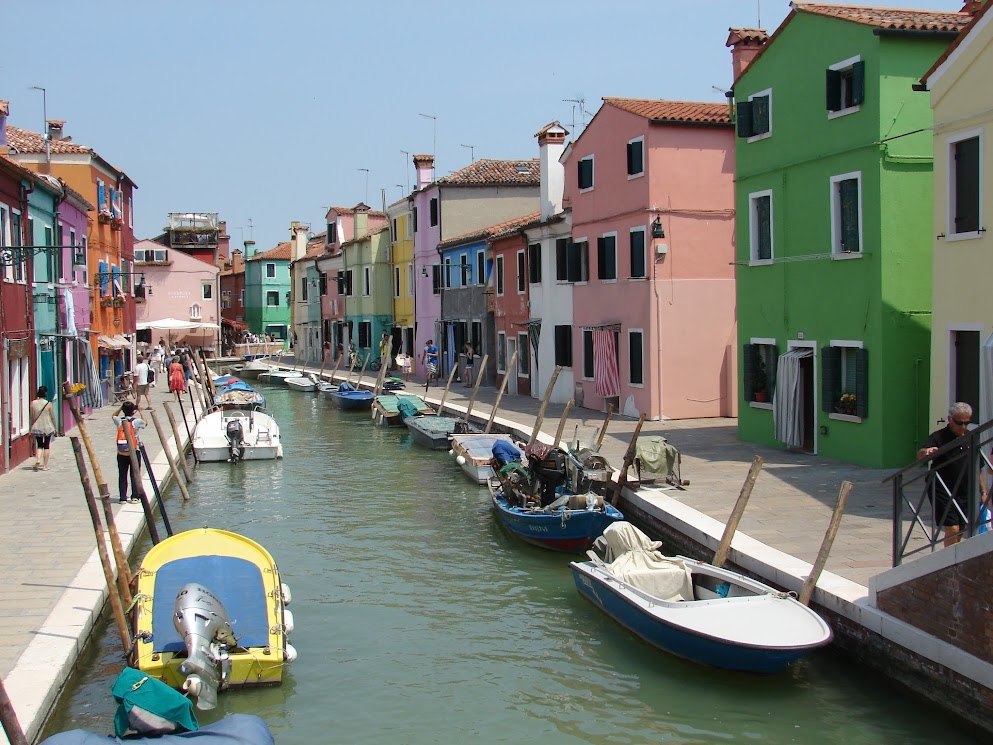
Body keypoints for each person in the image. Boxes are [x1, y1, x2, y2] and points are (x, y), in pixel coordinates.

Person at [918, 402, 982, 547]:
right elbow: (921, 453)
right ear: (950, 419)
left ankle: (954, 556)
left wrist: (983, 491)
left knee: (960, 529)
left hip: (965, 491)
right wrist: (926, 452)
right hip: (943, 489)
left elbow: (978, 467)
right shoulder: (939, 437)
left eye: (967, 423)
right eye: (960, 423)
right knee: (952, 528)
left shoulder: (970, 438)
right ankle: (947, 560)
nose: (963, 427)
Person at [112, 400, 147, 504]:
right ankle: (134, 497)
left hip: (121, 453)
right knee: (135, 474)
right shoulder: (136, 421)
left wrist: (121, 408)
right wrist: (140, 411)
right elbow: (146, 423)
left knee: (122, 475)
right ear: (133, 411)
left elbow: (113, 415)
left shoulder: (119, 421)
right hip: (134, 451)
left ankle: (122, 498)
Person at [29, 386, 56, 472]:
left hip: (37, 427)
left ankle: (38, 460)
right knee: (46, 445)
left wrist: (31, 427)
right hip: (47, 427)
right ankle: (45, 466)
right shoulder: (48, 404)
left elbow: (32, 417)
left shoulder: (33, 403)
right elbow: (52, 417)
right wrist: (55, 427)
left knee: (39, 444)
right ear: (46, 393)